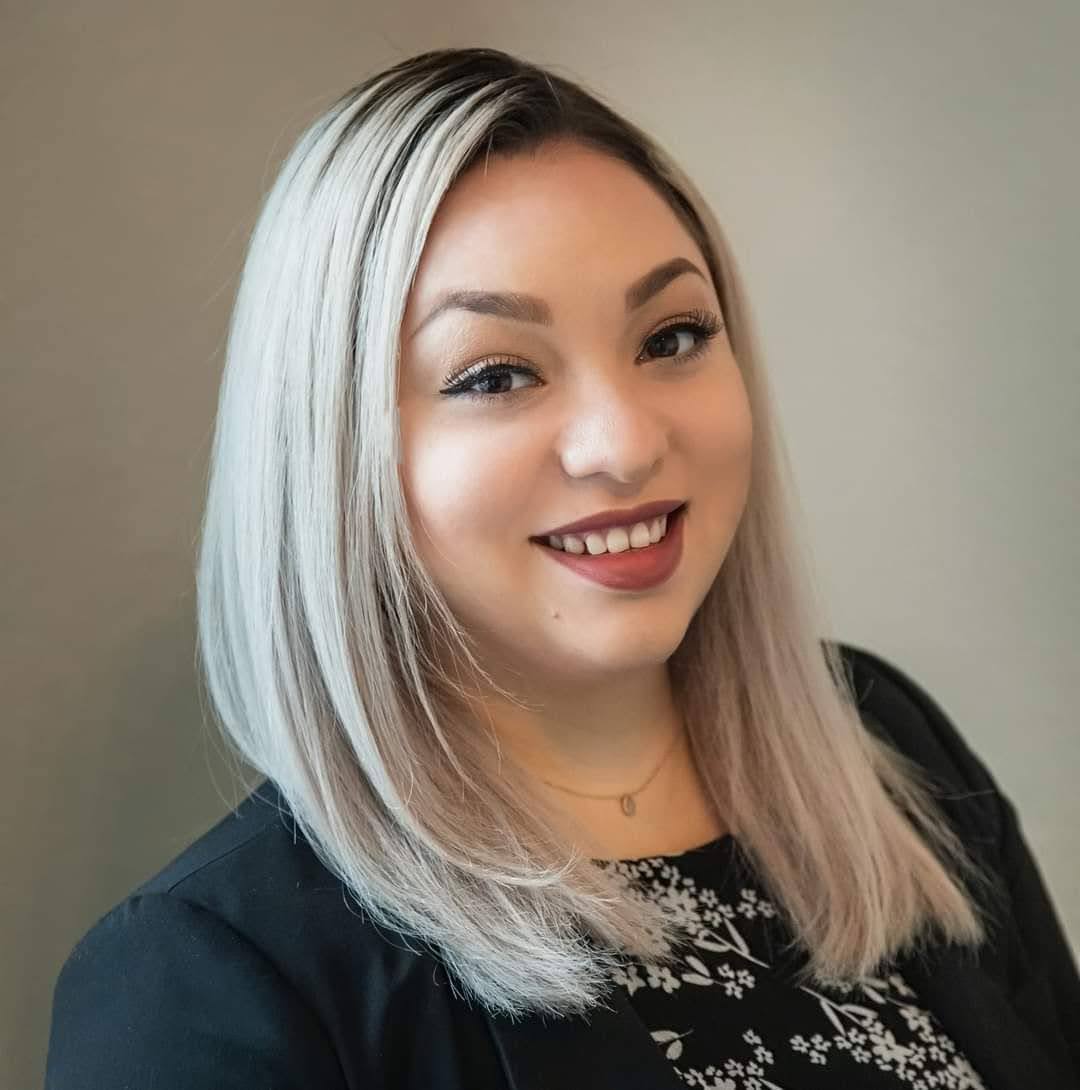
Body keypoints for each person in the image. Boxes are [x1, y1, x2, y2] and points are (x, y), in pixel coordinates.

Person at [45, 46, 1079, 1090]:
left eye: (671, 337)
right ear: (333, 453)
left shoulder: (881, 737)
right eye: (497, 374)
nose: (623, 444)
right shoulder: (204, 982)